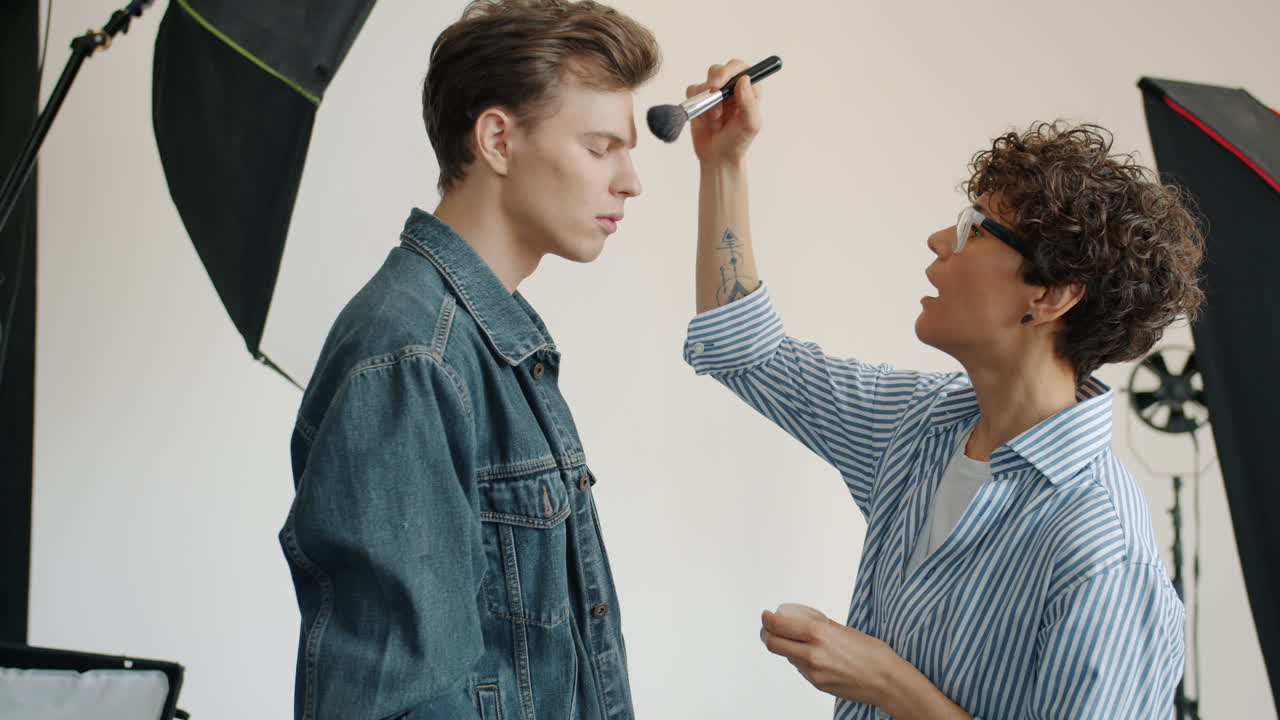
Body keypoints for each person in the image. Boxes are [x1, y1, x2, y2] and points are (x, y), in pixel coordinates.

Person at [681, 60, 1204, 719]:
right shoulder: (920, 426)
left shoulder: (1099, 547)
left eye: (974, 229)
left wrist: (888, 684)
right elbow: (746, 351)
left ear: (1049, 294)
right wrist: (724, 164)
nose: (937, 242)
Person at [278, 3, 658, 719]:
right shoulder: (412, 357)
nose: (630, 180)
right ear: (497, 140)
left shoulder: (493, 341)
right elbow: (399, 700)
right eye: (600, 147)